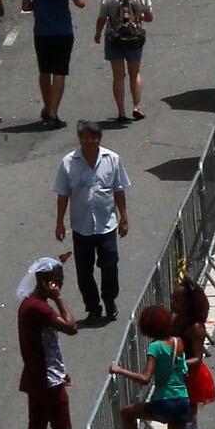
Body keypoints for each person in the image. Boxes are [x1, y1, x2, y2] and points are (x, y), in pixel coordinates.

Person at [53, 120, 131, 323]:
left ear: (99, 139)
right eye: (85, 137)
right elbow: (63, 194)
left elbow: (119, 190)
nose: (90, 141)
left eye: (93, 138)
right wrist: (59, 222)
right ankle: (93, 308)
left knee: (110, 264)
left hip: (107, 225)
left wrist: (124, 218)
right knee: (84, 271)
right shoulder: (68, 162)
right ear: (80, 139)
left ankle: (109, 299)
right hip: (81, 227)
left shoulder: (112, 159)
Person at [23, 0, 85, 129]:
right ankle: (53, 113)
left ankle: (47, 106)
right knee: (60, 72)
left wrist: (40, 6)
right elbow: (80, 3)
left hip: (41, 31)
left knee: (44, 71)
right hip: (63, 31)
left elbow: (26, 6)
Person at [107, 303, 192, 429]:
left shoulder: (155, 347)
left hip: (165, 400)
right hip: (183, 400)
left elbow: (145, 378)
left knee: (127, 413)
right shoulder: (178, 342)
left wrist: (119, 370)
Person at [15, 257, 77, 429]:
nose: (59, 285)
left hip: (37, 377)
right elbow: (71, 327)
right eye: (56, 281)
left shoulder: (28, 304)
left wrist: (61, 370)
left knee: (36, 427)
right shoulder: (39, 308)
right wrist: (58, 298)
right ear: (43, 282)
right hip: (48, 380)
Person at [93, 0, 152, 125]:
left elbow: (102, 18)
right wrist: (138, 16)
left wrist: (97, 33)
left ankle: (121, 112)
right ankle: (137, 106)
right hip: (134, 38)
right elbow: (149, 17)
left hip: (114, 38)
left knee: (118, 76)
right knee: (135, 73)